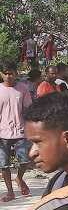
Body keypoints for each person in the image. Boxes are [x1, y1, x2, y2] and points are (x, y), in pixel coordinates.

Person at [0, 63, 33, 202]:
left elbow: (28, 109)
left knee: (25, 160)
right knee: (4, 164)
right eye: (6, 73)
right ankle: (10, 192)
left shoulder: (22, 89)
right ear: (1, 74)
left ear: (16, 73)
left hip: (20, 132)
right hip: (2, 134)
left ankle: (19, 178)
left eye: (11, 73)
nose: (9, 76)